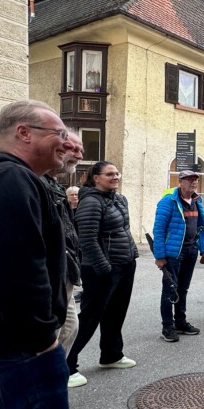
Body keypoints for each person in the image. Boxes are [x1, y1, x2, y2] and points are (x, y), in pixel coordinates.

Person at [0, 100, 72, 409]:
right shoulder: (11, 178)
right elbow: (18, 269)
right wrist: (44, 339)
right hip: (23, 353)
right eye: (58, 133)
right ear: (23, 133)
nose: (67, 143)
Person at [66, 161, 139, 388]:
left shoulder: (119, 199)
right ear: (95, 177)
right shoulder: (91, 201)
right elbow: (86, 239)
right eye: (109, 174)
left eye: (117, 172)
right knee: (90, 317)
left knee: (115, 314)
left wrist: (132, 254)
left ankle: (111, 355)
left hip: (125, 264)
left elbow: (123, 230)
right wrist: (104, 268)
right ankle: (67, 366)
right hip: (101, 269)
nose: (115, 176)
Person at [153, 170, 204, 341]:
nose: (193, 183)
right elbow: (159, 229)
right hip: (173, 253)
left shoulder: (196, 201)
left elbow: (202, 225)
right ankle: (167, 327)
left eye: (196, 180)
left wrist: (203, 247)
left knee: (183, 289)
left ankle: (180, 322)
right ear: (180, 181)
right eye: (190, 180)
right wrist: (160, 256)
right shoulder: (168, 201)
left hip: (191, 250)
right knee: (170, 290)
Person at [42, 133, 84, 359]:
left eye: (80, 151)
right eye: (71, 148)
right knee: (51, 333)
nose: (78, 155)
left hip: (66, 273)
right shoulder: (33, 181)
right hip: (50, 276)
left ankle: (56, 374)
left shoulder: (53, 184)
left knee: (70, 327)